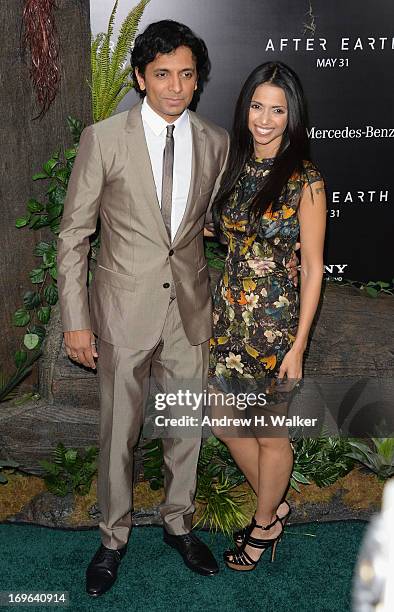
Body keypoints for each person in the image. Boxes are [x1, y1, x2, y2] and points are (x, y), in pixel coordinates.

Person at [57, 20, 230, 595]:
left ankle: (179, 522)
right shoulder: (103, 138)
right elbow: (73, 236)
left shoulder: (216, 141)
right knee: (118, 431)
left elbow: (198, 226)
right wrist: (76, 321)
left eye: (186, 74)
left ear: (197, 79)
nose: (176, 86)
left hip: (188, 309)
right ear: (140, 78)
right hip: (122, 312)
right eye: (162, 75)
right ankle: (113, 536)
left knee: (185, 423)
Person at [208, 61, 326, 571]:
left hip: (275, 330)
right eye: (258, 106)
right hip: (227, 320)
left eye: (277, 110)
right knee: (220, 420)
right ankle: (274, 509)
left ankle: (262, 528)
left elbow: (315, 268)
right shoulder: (234, 166)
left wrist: (298, 346)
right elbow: (225, 231)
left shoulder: (306, 180)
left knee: (270, 433)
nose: (264, 119)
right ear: (245, 108)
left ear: (291, 117)